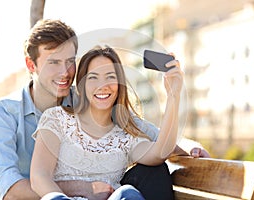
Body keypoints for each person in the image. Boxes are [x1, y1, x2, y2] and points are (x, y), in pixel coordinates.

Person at [0, 19, 209, 200]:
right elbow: (10, 190)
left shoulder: (89, 100)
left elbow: (150, 134)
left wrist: (191, 146)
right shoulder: (2, 115)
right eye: (53, 61)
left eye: (70, 61)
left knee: (148, 176)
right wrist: (80, 189)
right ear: (31, 65)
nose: (65, 72)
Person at [30, 45, 183, 200]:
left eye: (110, 77)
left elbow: (160, 152)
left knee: (127, 194)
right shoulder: (57, 119)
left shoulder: (125, 137)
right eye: (93, 77)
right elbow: (39, 177)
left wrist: (173, 95)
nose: (102, 86)